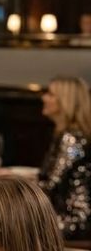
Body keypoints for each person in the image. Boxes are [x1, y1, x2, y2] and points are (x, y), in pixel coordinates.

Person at [39, 76, 91, 240]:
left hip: (75, 220)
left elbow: (51, 186)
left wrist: (14, 185)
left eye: (50, 94)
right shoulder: (67, 134)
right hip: (64, 214)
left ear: (65, 101)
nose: (44, 98)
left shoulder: (72, 139)